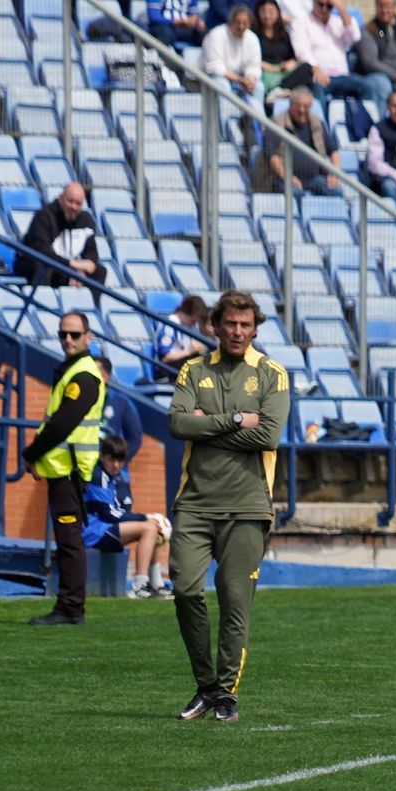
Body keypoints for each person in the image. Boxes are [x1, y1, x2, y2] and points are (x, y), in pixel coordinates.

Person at [169, 291, 292, 724]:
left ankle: (224, 694)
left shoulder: (273, 373)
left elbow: (268, 436)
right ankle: (205, 685)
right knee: (185, 590)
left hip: (248, 507)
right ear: (215, 326)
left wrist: (206, 426)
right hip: (195, 504)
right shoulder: (193, 368)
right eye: (230, 324)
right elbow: (178, 423)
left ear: (255, 329)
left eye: (245, 325)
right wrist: (237, 420)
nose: (238, 332)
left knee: (234, 601)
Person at [22, 312, 106, 626]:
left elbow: (61, 425)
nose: (68, 340)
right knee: (67, 539)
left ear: (88, 337)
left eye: (74, 334)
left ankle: (71, 608)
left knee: (70, 541)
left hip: (69, 471)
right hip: (63, 469)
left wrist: (30, 453)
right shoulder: (72, 370)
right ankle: (70, 606)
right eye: (63, 334)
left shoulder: (83, 376)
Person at [84, 435, 173, 599]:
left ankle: (156, 584)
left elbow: (125, 507)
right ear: (102, 457)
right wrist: (144, 517)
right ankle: (140, 585)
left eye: (120, 461)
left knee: (155, 528)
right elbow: (108, 514)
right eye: (111, 460)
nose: (116, 465)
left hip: (106, 528)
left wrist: (147, 518)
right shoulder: (98, 476)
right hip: (93, 531)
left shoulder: (119, 476)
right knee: (149, 528)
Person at [290, 0, 384, 104]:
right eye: (321, 4)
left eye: (329, 6)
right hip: (319, 77)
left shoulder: (338, 22)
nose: (324, 9)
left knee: (368, 88)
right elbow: (302, 51)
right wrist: (316, 70)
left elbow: (354, 37)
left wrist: (342, 9)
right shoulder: (301, 23)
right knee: (317, 92)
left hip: (343, 76)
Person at [16, 183, 107, 289]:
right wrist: (72, 264)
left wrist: (82, 271)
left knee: (99, 271)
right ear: (61, 199)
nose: (73, 207)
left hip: (67, 267)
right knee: (45, 266)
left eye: (78, 203)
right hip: (36, 264)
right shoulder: (43, 217)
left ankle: (87, 299)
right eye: (70, 201)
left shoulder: (86, 220)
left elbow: (91, 252)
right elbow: (42, 252)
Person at [265, 86, 341, 196]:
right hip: (285, 179)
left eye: (306, 107)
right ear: (291, 105)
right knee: (295, 194)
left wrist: (334, 175)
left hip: (315, 178)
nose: (302, 110)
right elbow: (273, 157)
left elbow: (334, 152)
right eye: (298, 106)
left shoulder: (317, 124)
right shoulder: (276, 123)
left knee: (336, 191)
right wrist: (287, 177)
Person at [201, 4, 262, 116]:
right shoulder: (216, 34)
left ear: (249, 24)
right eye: (238, 22)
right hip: (215, 77)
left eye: (245, 23)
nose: (241, 26)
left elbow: (253, 66)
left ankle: (257, 122)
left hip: (240, 78)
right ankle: (227, 122)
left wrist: (250, 79)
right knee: (222, 84)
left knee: (258, 87)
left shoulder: (252, 38)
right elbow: (215, 68)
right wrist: (240, 80)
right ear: (231, 22)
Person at [254, 0, 312, 98]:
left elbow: (294, 57)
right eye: (263, 12)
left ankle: (279, 91)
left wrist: (291, 63)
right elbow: (251, 59)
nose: (267, 16)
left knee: (307, 67)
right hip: (264, 72)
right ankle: (274, 92)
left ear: (278, 12)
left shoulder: (285, 34)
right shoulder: (253, 35)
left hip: (284, 73)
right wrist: (273, 68)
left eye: (271, 12)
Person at [94, 356, 143, 460]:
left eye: (94, 373)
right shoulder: (81, 399)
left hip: (110, 467)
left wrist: (119, 460)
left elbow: (135, 437)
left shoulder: (121, 402)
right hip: (85, 463)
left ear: (106, 377)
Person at [153, 295, 211, 381]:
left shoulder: (189, 326)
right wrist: (189, 351)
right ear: (185, 313)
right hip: (167, 369)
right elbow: (165, 358)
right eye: (193, 321)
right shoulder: (170, 325)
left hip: (182, 366)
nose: (194, 324)